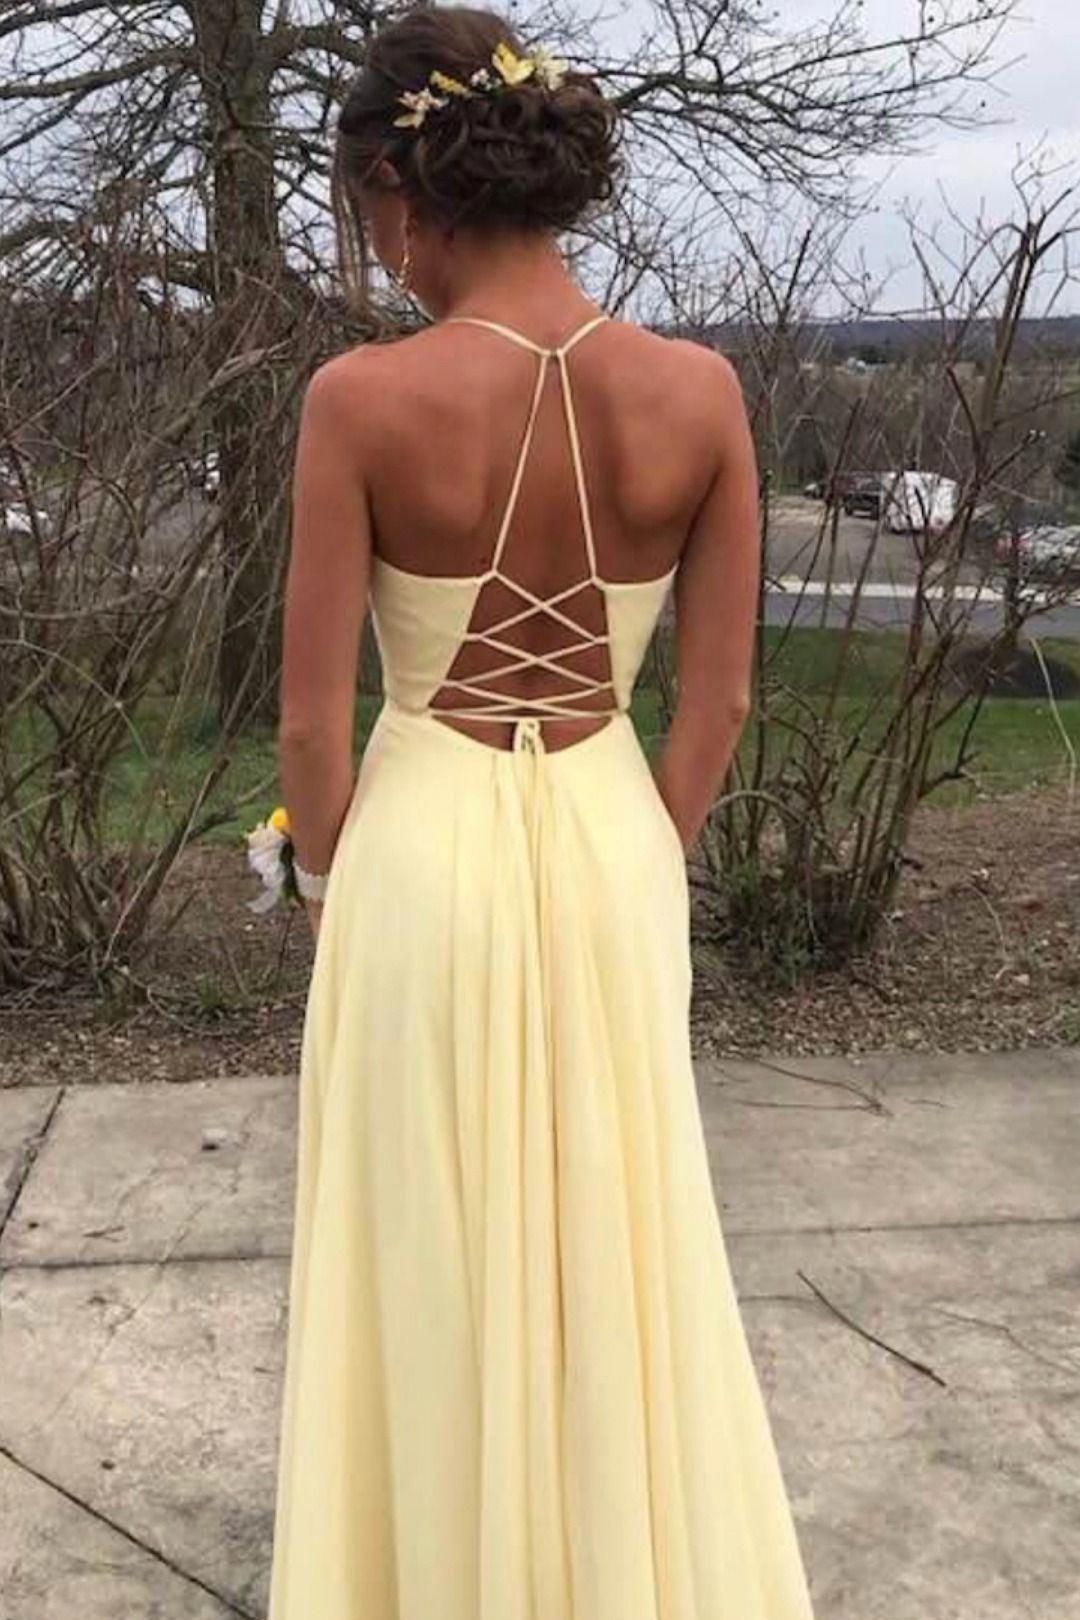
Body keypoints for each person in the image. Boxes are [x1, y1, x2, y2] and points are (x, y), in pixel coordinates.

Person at [268, 6, 816, 1618]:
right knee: (618, 1242)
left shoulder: (361, 400)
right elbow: (715, 704)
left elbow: (311, 722)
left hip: (418, 853)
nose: (378, 254)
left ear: (401, 187)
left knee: (427, 1255)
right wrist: (634, 853)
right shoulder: (700, 392)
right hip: (607, 834)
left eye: (367, 215)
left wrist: (324, 883)